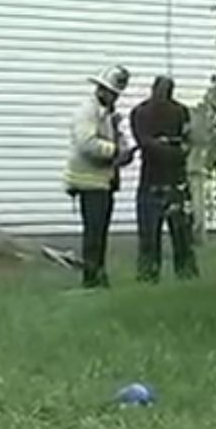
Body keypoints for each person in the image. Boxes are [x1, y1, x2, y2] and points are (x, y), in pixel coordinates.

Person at [64, 65, 136, 289]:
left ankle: (98, 275)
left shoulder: (108, 116)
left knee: (100, 232)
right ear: (101, 90)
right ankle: (91, 279)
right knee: (94, 233)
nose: (114, 97)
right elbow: (86, 143)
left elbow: (117, 142)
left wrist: (125, 153)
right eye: (111, 92)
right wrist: (115, 151)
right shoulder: (87, 112)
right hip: (88, 181)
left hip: (103, 181)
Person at [130, 76, 199, 282]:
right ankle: (149, 273)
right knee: (149, 236)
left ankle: (184, 272)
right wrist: (171, 146)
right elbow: (145, 143)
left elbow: (188, 142)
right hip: (154, 180)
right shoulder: (140, 112)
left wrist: (163, 144)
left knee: (182, 235)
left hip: (173, 179)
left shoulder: (181, 112)